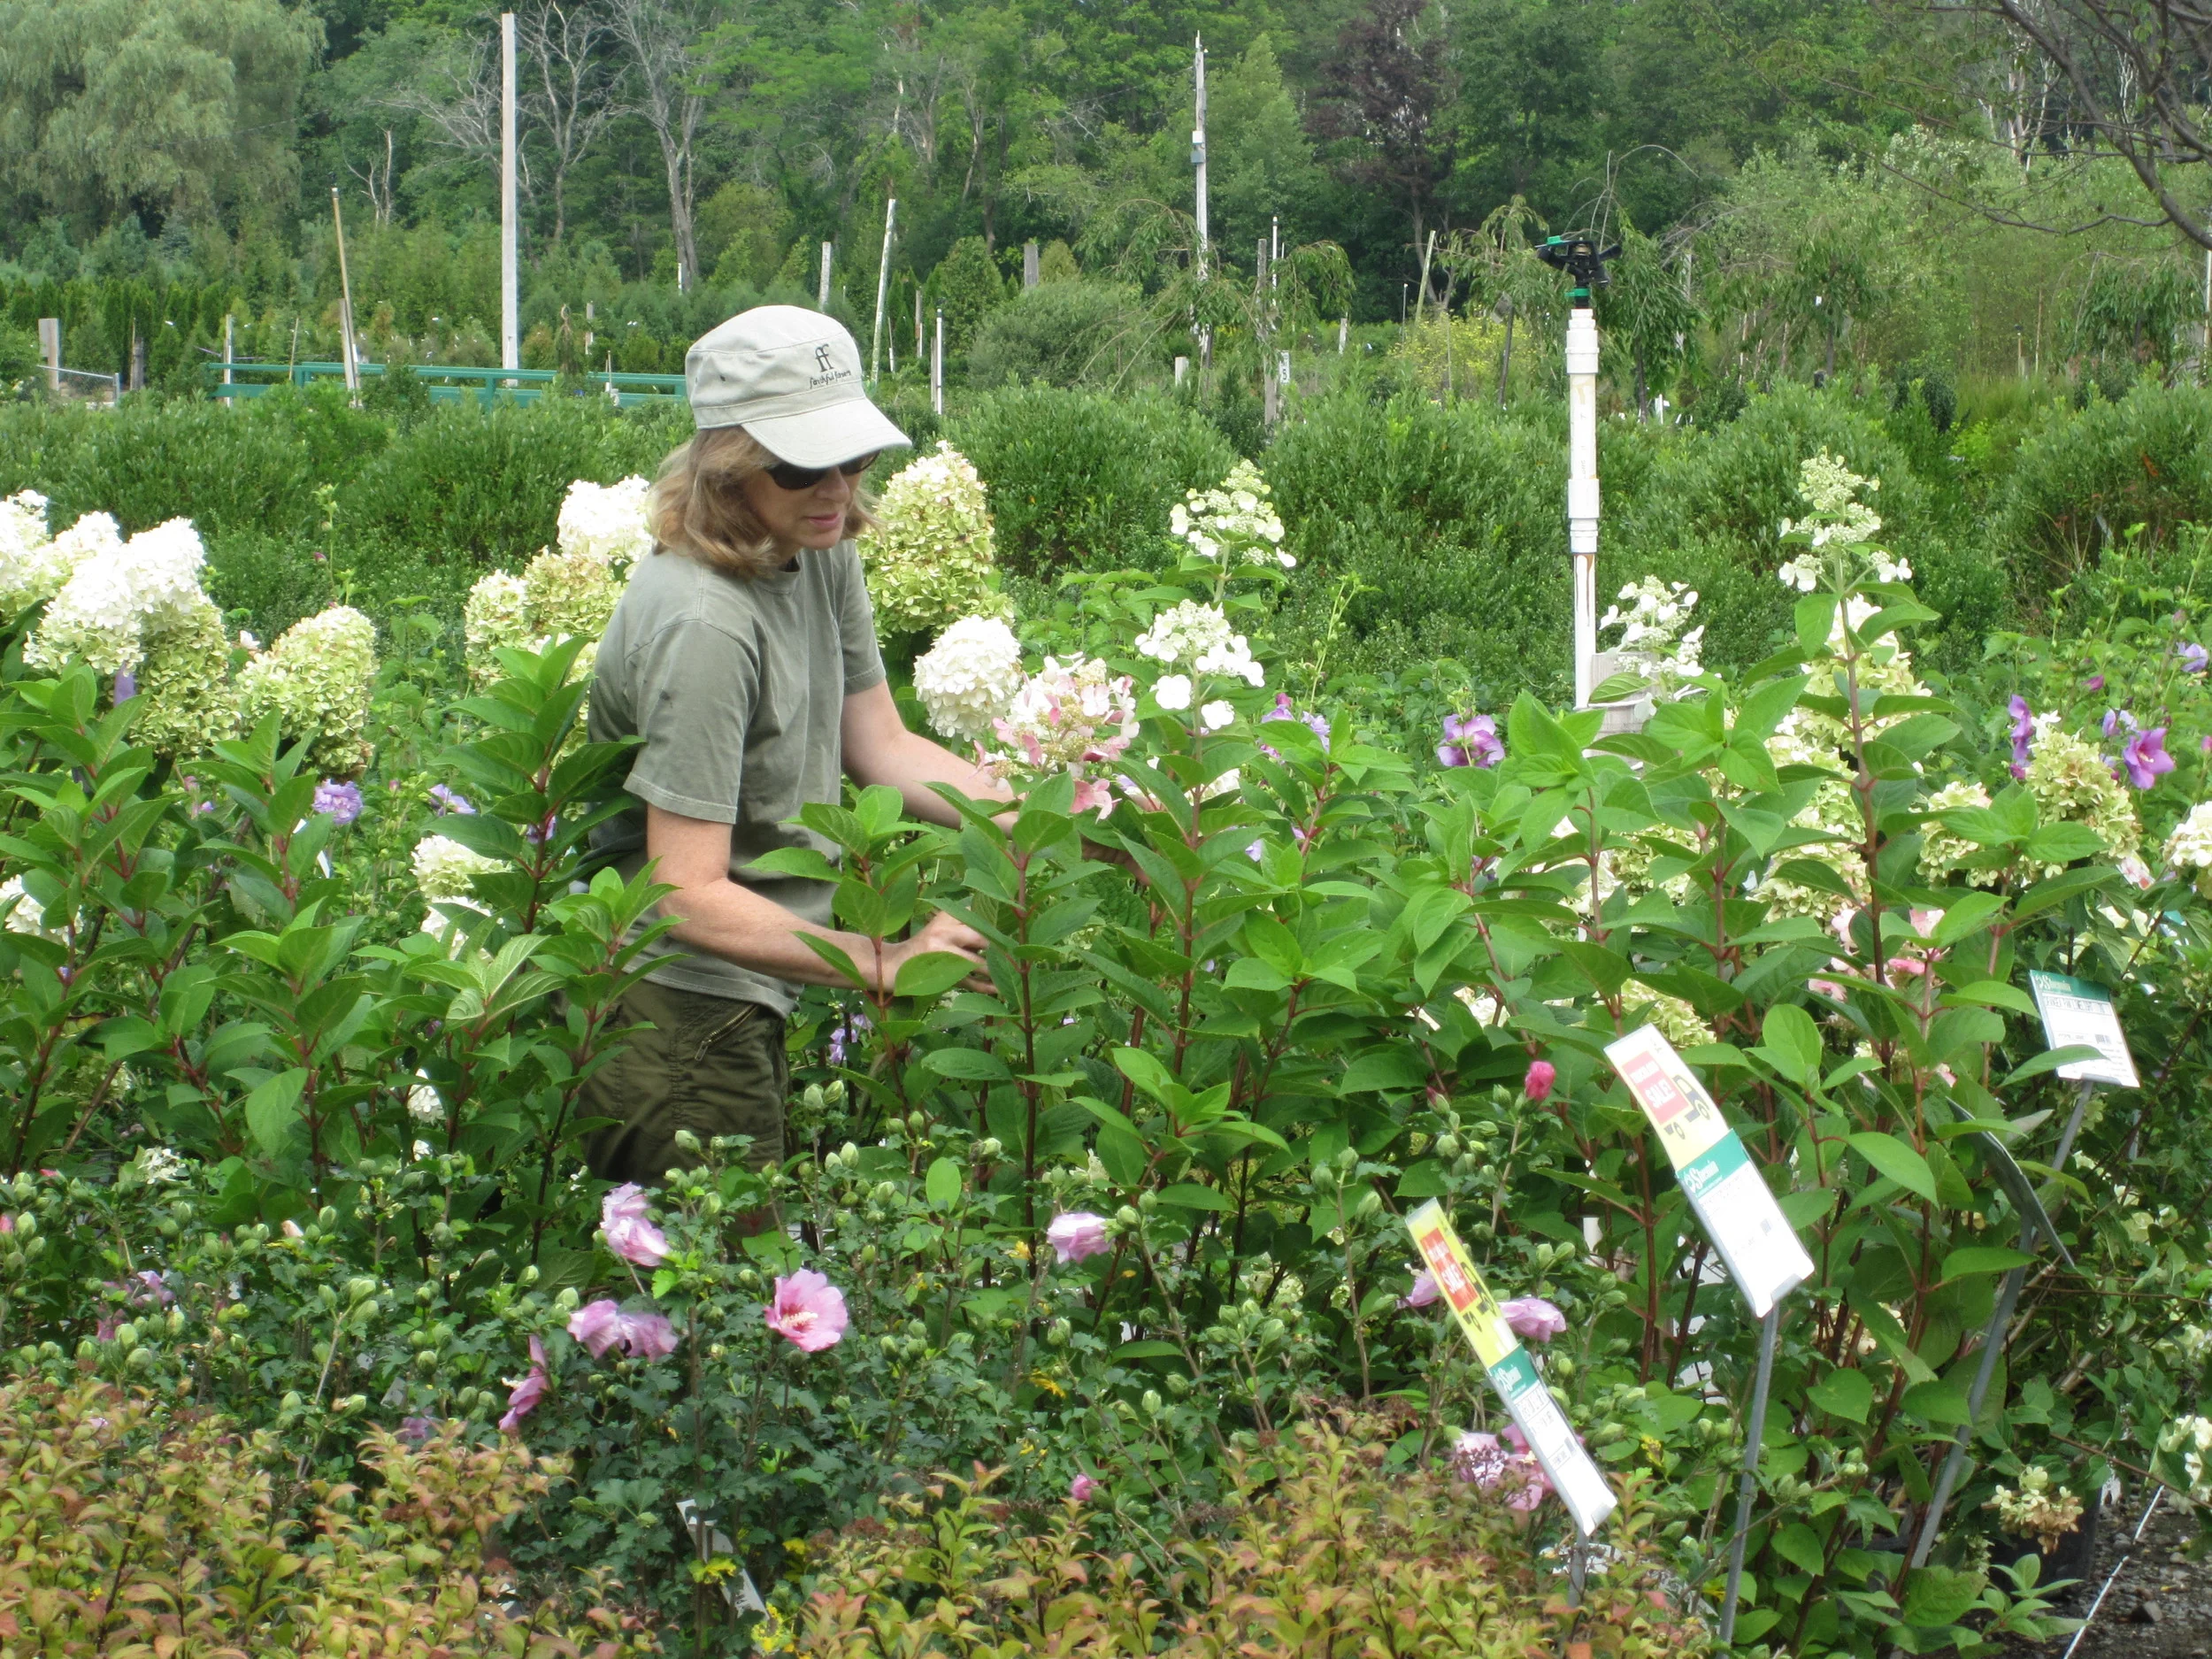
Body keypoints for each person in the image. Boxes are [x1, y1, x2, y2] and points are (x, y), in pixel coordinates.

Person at [579, 304, 1008, 1189]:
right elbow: (684, 896)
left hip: (754, 983)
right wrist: (886, 963)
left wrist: (1047, 819)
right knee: (712, 1301)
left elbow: (881, 744)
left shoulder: (815, 549)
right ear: (726, 468)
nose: (837, 489)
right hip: (678, 1008)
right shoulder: (705, 625)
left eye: (854, 458)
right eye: (804, 464)